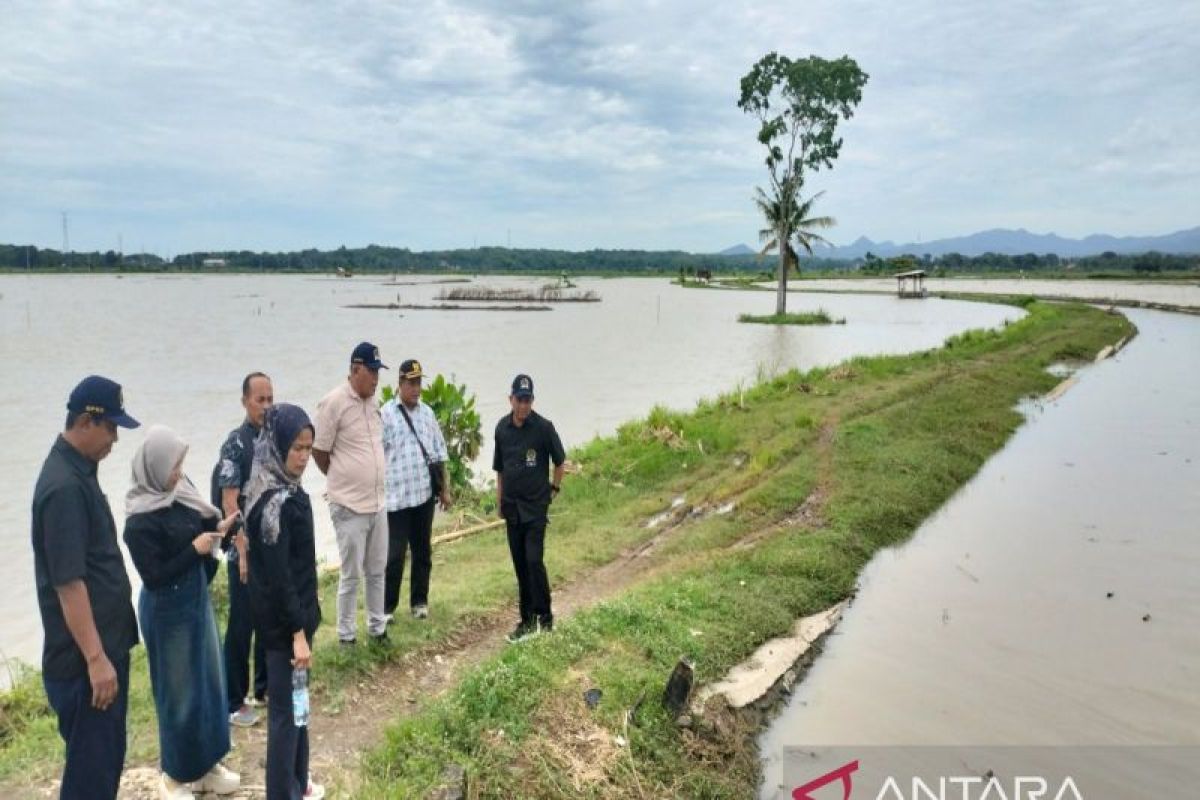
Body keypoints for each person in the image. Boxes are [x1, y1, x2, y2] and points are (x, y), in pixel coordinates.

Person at [31, 376, 140, 799]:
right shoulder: (63, 488)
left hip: (101, 655)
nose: (114, 439)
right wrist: (96, 658)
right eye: (111, 428)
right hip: (83, 668)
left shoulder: (80, 471)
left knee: (104, 764)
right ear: (84, 421)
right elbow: (68, 583)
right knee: (90, 782)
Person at [123, 426, 241, 800]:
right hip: (166, 610)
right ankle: (174, 775)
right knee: (179, 694)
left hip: (194, 600)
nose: (178, 473)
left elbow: (204, 524)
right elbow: (153, 576)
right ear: (154, 468)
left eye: (180, 465)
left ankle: (206, 765)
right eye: (172, 467)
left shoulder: (181, 492)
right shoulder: (140, 520)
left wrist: (222, 527)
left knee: (209, 682)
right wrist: (194, 549)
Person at [244, 404, 324, 800]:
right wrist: (297, 633)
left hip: (298, 624)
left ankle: (300, 781)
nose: (304, 457)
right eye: (296, 448)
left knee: (299, 709)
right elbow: (279, 579)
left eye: (309, 448)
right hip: (285, 631)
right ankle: (282, 791)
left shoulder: (283, 489)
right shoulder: (274, 504)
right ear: (277, 446)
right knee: (285, 717)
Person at [313, 342, 389, 645]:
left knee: (376, 570)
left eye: (377, 372)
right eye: (371, 371)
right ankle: (346, 636)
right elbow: (319, 451)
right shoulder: (334, 402)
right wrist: (343, 478)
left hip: (378, 502)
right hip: (348, 504)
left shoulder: (373, 402)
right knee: (350, 574)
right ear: (355, 369)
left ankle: (377, 628)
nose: (375, 378)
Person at [211, 371, 273, 727]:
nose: (265, 406)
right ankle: (234, 701)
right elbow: (229, 500)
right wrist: (242, 548)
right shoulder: (235, 444)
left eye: (269, 399)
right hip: (244, 549)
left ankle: (264, 689)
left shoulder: (274, 437)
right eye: (258, 400)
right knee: (242, 623)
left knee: (268, 617)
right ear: (245, 402)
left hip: (270, 546)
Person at [492, 374, 565, 643]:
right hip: (512, 510)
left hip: (535, 508)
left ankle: (545, 618)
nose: (523, 405)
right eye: (519, 400)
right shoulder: (501, 429)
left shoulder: (544, 428)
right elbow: (500, 470)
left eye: (527, 400)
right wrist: (499, 502)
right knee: (520, 565)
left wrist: (553, 490)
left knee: (534, 561)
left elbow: (560, 462)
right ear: (510, 399)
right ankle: (526, 620)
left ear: (532, 401)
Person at [380, 359, 451, 622]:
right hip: (396, 500)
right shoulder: (385, 414)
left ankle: (419, 602)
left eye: (419, 382)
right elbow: (376, 458)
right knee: (394, 556)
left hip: (422, 496)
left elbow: (439, 453)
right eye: (411, 383)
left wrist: (444, 489)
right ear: (399, 384)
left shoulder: (427, 413)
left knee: (423, 551)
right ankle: (387, 609)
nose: (416, 388)